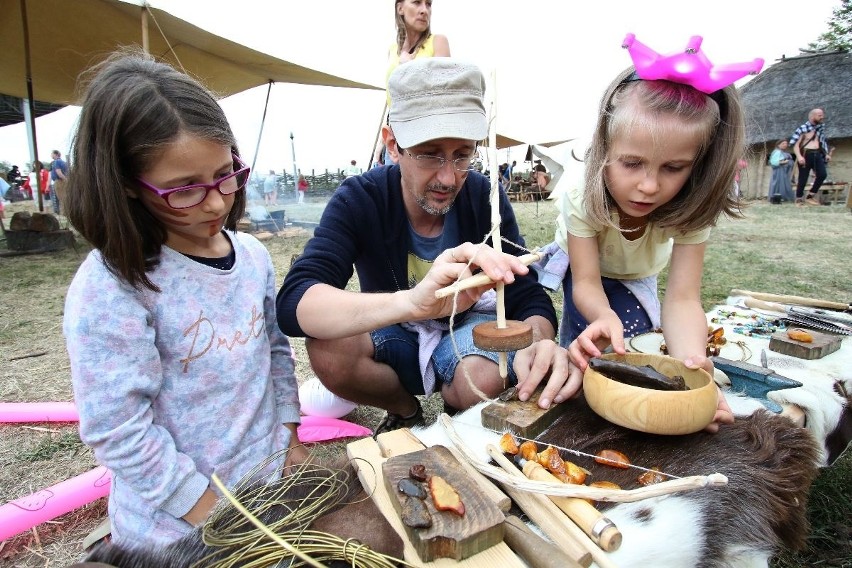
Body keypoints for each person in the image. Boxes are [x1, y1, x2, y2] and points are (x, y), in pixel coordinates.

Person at [62, 50, 305, 548]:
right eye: (184, 189)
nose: (217, 201)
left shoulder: (253, 256)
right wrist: (211, 513)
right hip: (178, 532)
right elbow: (119, 431)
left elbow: (276, 353)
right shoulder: (111, 288)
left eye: (225, 173)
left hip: (263, 494)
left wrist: (290, 435)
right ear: (127, 185)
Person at [277, 58, 575, 436]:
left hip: (468, 331)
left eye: (463, 154)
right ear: (393, 145)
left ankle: (458, 406)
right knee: (329, 348)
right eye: (430, 153)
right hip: (396, 328)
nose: (449, 177)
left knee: (486, 376)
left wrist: (538, 343)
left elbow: (527, 293)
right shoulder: (361, 198)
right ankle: (405, 410)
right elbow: (294, 302)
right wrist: (414, 302)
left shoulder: (484, 196)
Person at [558, 60, 745, 434]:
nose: (648, 186)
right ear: (604, 149)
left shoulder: (694, 204)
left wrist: (691, 367)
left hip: (640, 271)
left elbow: (682, 298)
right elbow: (587, 284)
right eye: (631, 163)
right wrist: (602, 315)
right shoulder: (580, 194)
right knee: (587, 360)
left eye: (673, 167)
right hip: (586, 272)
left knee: (640, 343)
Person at [375, 0, 451, 167]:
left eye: (428, 4)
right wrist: (382, 142)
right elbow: (392, 100)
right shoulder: (393, 50)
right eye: (417, 3)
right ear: (400, 8)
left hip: (425, 136)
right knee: (391, 189)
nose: (424, 10)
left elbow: (442, 95)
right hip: (395, 135)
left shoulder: (437, 42)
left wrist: (407, 68)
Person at [789, 108, 830, 207]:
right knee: (803, 178)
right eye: (819, 115)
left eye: (822, 115)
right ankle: (799, 199)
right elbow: (795, 145)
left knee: (822, 175)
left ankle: (810, 196)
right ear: (812, 116)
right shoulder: (803, 128)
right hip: (805, 154)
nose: (822, 117)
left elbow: (821, 143)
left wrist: (826, 154)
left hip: (817, 154)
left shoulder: (819, 129)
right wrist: (799, 157)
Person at [49, 150, 69, 214]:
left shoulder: (56, 162)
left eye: (52, 154)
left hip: (59, 181)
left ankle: (64, 213)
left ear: (56, 154)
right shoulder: (63, 162)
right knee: (65, 196)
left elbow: (59, 172)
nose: (51, 155)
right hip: (63, 180)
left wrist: (65, 179)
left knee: (61, 197)